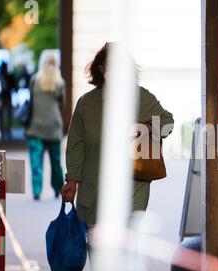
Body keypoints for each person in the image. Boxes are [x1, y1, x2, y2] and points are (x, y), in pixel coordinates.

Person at [61, 43, 174, 231]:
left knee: (126, 252)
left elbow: (167, 122)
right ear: (101, 68)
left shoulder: (141, 97)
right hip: (94, 191)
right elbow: (75, 146)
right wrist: (72, 181)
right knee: (96, 250)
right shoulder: (86, 103)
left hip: (132, 191)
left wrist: (146, 127)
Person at [26, 54, 65, 201]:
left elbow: (31, 102)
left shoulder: (35, 80)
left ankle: (37, 191)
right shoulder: (60, 83)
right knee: (55, 162)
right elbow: (62, 104)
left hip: (35, 127)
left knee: (36, 162)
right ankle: (58, 189)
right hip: (54, 127)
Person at [0, 62, 16, 139]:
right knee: (4, 114)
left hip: (5, 97)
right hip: (5, 97)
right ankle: (4, 129)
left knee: (4, 114)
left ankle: (5, 129)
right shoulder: (4, 76)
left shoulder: (5, 76)